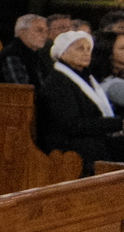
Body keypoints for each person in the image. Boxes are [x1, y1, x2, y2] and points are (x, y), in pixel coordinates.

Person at [37, 31, 124, 174]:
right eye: (79, 48)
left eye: (88, 48)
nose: (86, 53)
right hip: (68, 145)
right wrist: (118, 124)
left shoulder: (86, 78)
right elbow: (72, 124)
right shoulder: (58, 82)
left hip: (88, 139)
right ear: (63, 53)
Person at [0, 13, 53, 90]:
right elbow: (22, 90)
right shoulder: (12, 54)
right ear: (22, 32)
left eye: (46, 32)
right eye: (39, 31)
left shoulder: (34, 53)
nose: (45, 35)